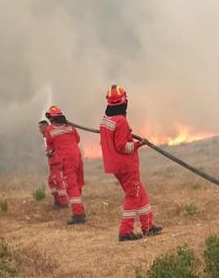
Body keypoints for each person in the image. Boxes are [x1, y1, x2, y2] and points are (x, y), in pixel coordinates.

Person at [99, 85, 162, 241]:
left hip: (115, 165)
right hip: (126, 165)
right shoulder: (121, 121)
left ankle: (148, 226)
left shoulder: (105, 120)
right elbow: (122, 147)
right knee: (133, 195)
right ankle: (125, 231)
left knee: (140, 193)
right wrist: (138, 144)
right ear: (123, 102)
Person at [44, 106, 86, 224]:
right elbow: (77, 140)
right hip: (77, 157)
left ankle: (78, 214)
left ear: (51, 118)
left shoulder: (49, 130)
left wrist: (50, 151)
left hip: (66, 160)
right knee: (77, 183)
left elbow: (50, 147)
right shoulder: (70, 127)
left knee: (71, 186)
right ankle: (80, 209)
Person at [39, 119, 68, 207]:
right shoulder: (47, 133)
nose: (39, 129)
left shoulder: (50, 132)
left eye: (40, 127)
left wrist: (50, 152)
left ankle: (63, 202)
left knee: (57, 181)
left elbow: (55, 145)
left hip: (56, 160)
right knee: (51, 181)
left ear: (45, 126)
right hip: (53, 161)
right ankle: (57, 200)